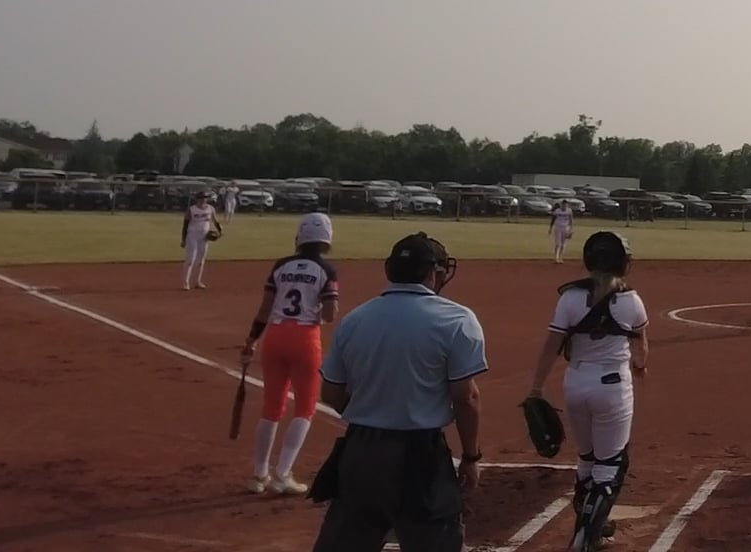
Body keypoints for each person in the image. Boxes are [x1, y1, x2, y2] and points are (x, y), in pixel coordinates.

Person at [312, 233, 487, 552]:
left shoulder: (355, 319)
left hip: (361, 451)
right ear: (433, 272)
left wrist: (372, 411)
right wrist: (471, 456)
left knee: (348, 538)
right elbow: (466, 397)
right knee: (434, 540)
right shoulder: (457, 319)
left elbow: (332, 393)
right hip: (420, 456)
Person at [527, 231, 650, 552]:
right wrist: (640, 366)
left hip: (576, 385)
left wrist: (536, 388)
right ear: (623, 263)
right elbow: (641, 347)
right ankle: (585, 537)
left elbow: (551, 347)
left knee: (587, 459)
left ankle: (594, 524)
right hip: (612, 389)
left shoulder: (569, 298)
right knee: (611, 465)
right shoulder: (631, 301)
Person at [241, 212, 339, 495]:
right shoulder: (326, 270)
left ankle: (259, 474)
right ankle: (283, 474)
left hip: (274, 335)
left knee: (271, 407)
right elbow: (330, 314)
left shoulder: (281, 266)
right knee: (305, 407)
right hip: (305, 338)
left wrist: (250, 341)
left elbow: (264, 309)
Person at [182, 189, 223, 291]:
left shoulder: (210, 209)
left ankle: (197, 281)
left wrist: (220, 231)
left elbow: (215, 221)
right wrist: (183, 239)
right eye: (200, 198)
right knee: (190, 259)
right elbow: (185, 225)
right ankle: (186, 282)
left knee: (201, 260)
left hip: (204, 237)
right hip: (192, 236)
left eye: (204, 198)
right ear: (197, 199)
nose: (202, 200)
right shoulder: (191, 210)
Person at [550, 198, 575, 264]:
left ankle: (560, 257)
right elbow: (553, 219)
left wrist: (571, 229)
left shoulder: (569, 211)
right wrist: (550, 228)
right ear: (561, 205)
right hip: (558, 228)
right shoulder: (557, 211)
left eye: (565, 205)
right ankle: (556, 258)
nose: (564, 206)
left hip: (565, 228)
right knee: (558, 244)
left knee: (563, 244)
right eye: (563, 205)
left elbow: (571, 220)